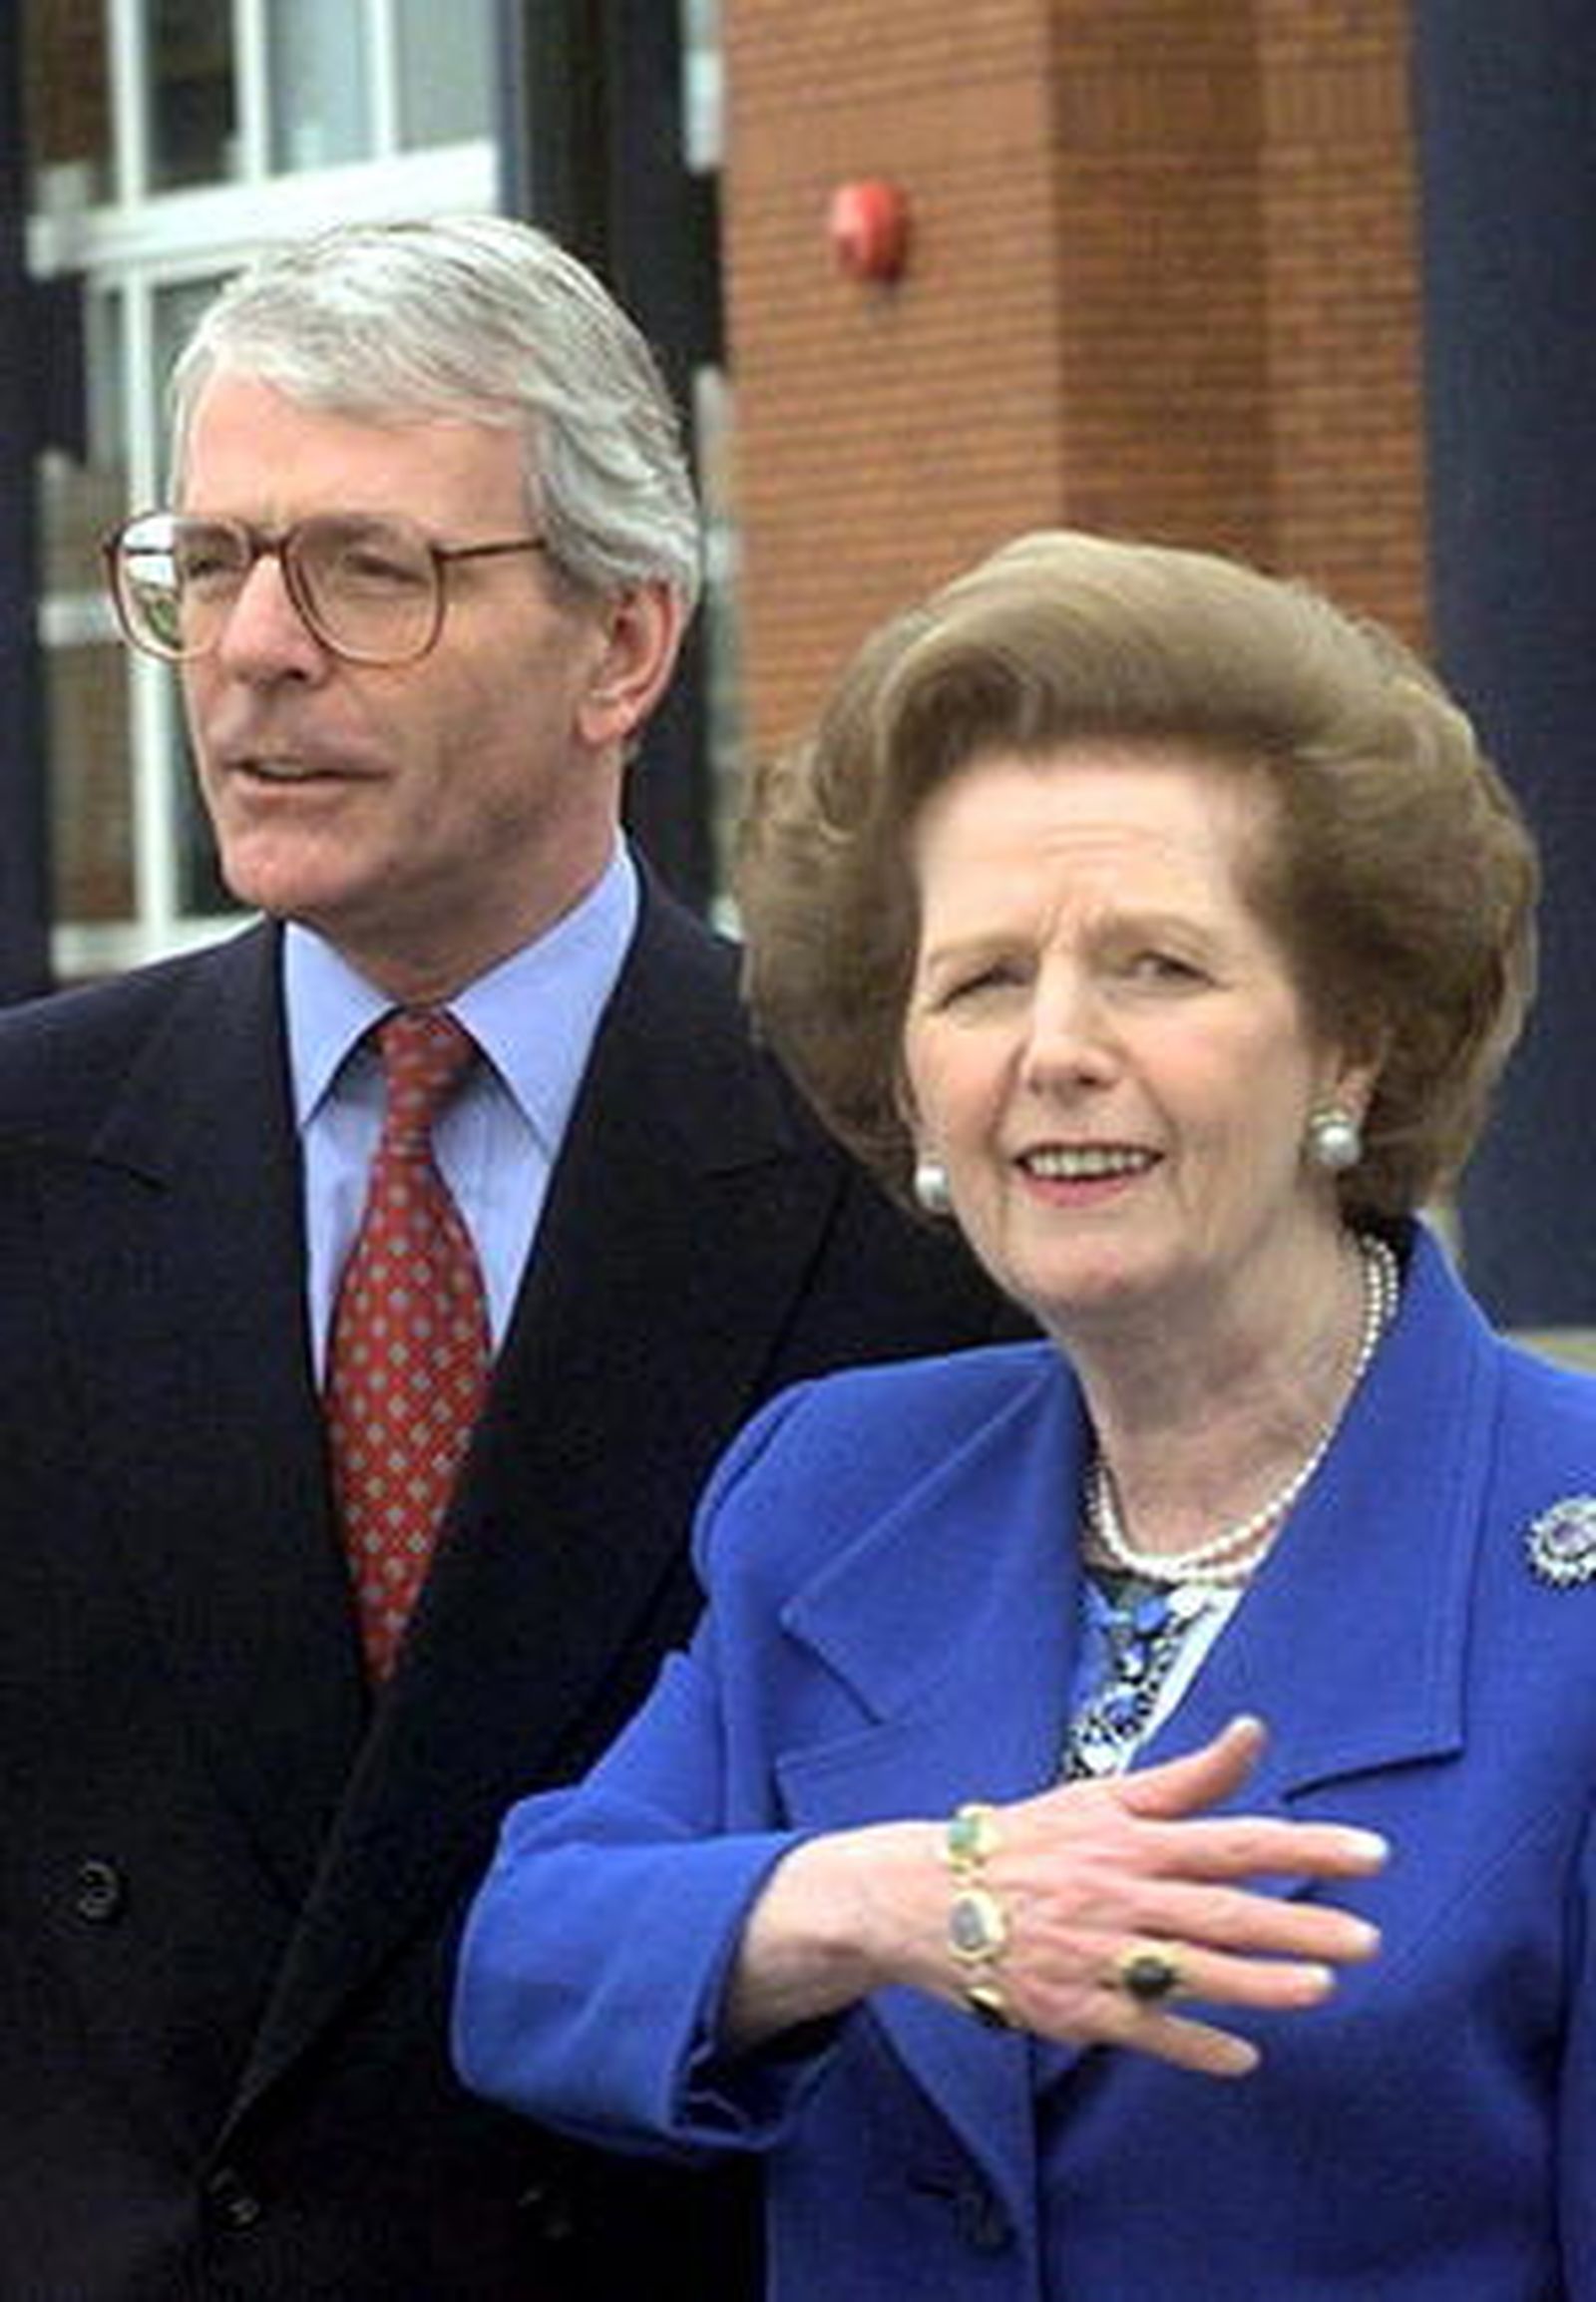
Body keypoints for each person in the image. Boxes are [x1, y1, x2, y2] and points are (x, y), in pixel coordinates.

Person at [0, 216, 1015, 2300]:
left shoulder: (903, 1178)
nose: (256, 647)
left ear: (623, 646)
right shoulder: (28, 1148)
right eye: (208, 565)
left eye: (371, 570)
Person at [454, 528, 1596, 2300]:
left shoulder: (1566, 1564)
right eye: (983, 979)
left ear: (1350, 1045)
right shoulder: (838, 1485)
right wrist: (894, 1900)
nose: (1055, 1047)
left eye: (1157, 964)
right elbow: (530, 1965)